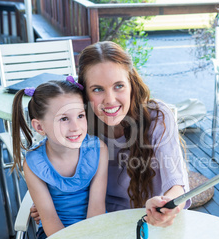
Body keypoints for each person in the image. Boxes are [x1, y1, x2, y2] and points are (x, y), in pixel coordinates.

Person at [32, 41, 191, 227]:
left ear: (131, 84)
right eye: (97, 89)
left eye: (119, 86)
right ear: (84, 93)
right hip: (98, 221)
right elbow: (60, 172)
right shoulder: (79, 126)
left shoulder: (157, 117)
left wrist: (165, 205)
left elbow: (177, 184)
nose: (110, 100)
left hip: (149, 220)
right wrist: (51, 203)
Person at [12, 78, 109, 239]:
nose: (76, 127)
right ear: (40, 127)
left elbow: (97, 207)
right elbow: (49, 219)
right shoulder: (34, 164)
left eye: (80, 116)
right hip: (55, 234)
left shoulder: (98, 150)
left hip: (96, 227)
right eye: (64, 119)